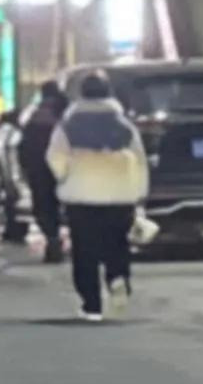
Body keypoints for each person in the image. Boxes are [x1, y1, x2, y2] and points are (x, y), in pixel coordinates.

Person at [53, 65, 148, 321]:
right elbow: (139, 160)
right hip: (119, 197)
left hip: (81, 198)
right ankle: (118, 279)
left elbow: (56, 158)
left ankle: (91, 304)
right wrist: (138, 193)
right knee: (117, 246)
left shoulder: (68, 125)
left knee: (85, 252)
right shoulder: (124, 125)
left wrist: (66, 176)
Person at [11, 78, 70, 262]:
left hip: (40, 170)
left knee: (44, 206)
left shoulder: (35, 115)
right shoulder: (69, 112)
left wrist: (25, 168)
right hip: (66, 169)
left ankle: (53, 239)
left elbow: (25, 146)